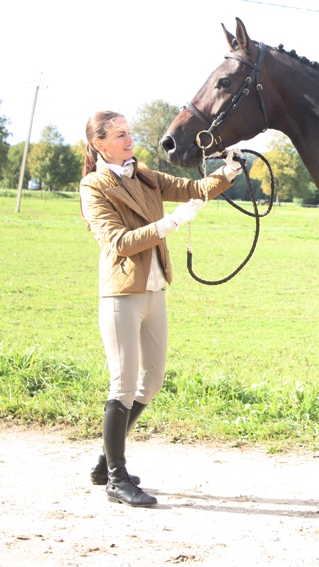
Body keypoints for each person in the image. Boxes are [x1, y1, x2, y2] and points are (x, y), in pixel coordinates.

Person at [79, 110, 242, 507]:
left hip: (154, 290)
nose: (129, 139)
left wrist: (230, 171)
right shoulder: (94, 186)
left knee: (150, 381)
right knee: (122, 384)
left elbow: (193, 188)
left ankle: (106, 459)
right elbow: (118, 242)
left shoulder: (145, 175)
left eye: (129, 132)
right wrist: (169, 224)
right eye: (120, 135)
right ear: (100, 144)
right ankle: (117, 480)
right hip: (122, 294)